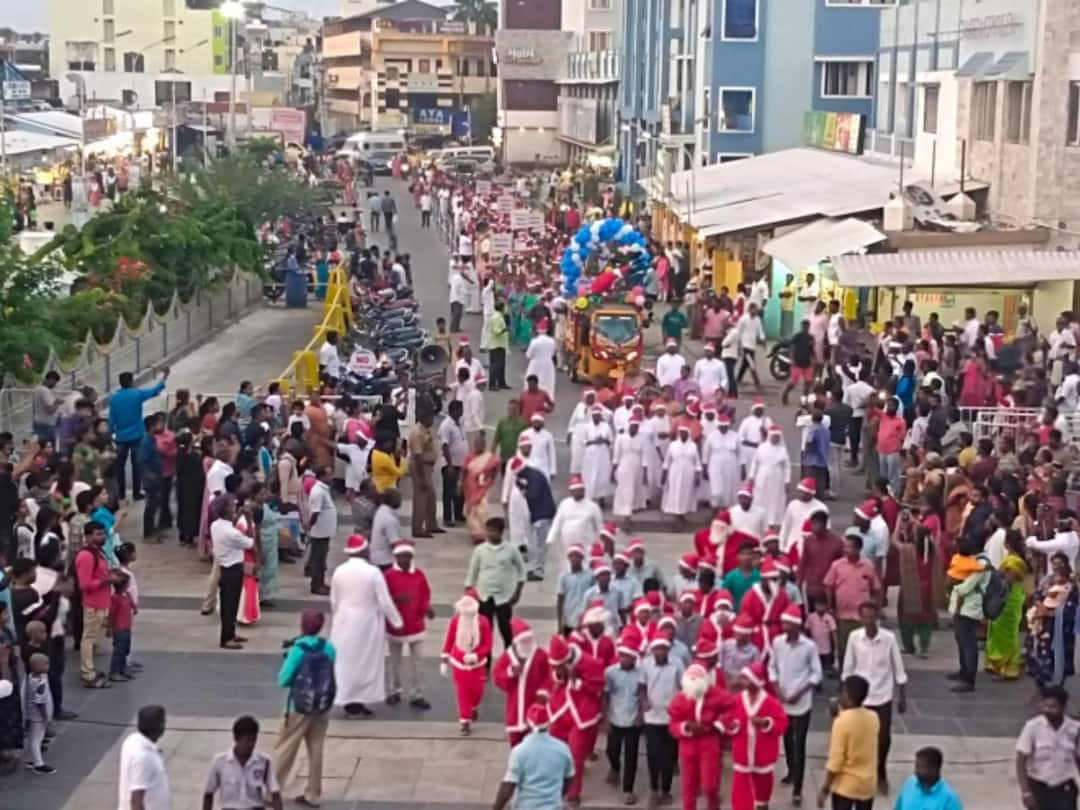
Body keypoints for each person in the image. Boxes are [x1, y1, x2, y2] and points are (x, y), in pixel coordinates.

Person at [330, 533, 404, 719]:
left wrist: (340, 616)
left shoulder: (339, 571)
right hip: (366, 623)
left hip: (343, 620)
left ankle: (349, 701)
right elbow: (385, 601)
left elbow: (334, 601)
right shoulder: (373, 572)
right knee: (364, 663)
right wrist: (397, 621)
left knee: (346, 662)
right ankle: (358, 702)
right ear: (363, 550)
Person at [841, 601, 907, 795]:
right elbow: (848, 668)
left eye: (872, 617)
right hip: (860, 697)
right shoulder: (854, 638)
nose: (869, 621)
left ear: (877, 617)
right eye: (865, 617)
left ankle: (881, 771)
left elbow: (899, 669)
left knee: (884, 737)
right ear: (861, 618)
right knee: (858, 737)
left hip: (882, 695)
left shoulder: (889, 639)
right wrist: (846, 695)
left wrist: (902, 696)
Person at [275, 610, 336, 808]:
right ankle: (314, 793)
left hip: (298, 706)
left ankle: (273, 789)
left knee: (286, 747)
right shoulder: (328, 647)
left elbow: (283, 680)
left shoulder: (298, 650)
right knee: (316, 747)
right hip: (322, 705)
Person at [769, 606, 822, 806]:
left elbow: (816, 674)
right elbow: (772, 667)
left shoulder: (808, 646)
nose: (784, 627)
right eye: (783, 624)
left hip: (802, 702)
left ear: (796, 626)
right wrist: (777, 689)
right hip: (783, 701)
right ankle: (792, 771)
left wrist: (801, 691)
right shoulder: (778, 643)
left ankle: (798, 789)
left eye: (787, 624)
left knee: (799, 742)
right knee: (787, 740)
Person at [546, 634, 606, 808]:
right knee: (555, 751)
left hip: (581, 714)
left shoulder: (588, 662)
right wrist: (558, 675)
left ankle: (573, 793)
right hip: (560, 711)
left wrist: (578, 682)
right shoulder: (556, 661)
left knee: (575, 755)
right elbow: (551, 678)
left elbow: (598, 685)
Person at [722, 661, 788, 810]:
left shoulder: (771, 703)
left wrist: (766, 723)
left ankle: (762, 804)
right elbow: (728, 719)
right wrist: (732, 726)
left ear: (755, 681)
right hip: (742, 753)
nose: (742, 681)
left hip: (763, 754)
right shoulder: (737, 700)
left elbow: (782, 724)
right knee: (740, 791)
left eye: (746, 678)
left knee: (763, 789)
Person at [492, 703, 575, 810]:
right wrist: (557, 795)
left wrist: (496, 807)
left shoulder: (520, 751)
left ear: (528, 724)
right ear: (548, 723)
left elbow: (509, 784)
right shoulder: (563, 748)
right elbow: (569, 777)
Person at [818, 675, 879, 810]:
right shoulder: (874, 718)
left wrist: (825, 788)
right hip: (867, 785)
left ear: (847, 694)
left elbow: (835, 762)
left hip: (846, 787)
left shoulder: (841, 722)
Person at [1015, 684, 1080, 810]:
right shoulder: (1033, 727)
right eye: (1045, 706)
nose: (1047, 710)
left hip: (1064, 786)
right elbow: (1020, 760)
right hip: (1038, 786)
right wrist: (1025, 791)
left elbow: (1078, 758)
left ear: (1063, 707)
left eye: (1053, 707)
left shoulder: (1074, 729)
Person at [465, 517, 525, 651]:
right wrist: (469, 591)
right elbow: (472, 572)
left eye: (494, 531)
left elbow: (522, 572)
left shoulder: (511, 550)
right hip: (484, 595)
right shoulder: (480, 550)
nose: (490, 534)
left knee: (506, 630)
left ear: (501, 532)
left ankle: (509, 659)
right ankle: (485, 662)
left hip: (504, 597)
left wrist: (517, 592)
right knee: (485, 631)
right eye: (488, 531)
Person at [109, 368, 169, 500]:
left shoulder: (114, 398)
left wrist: (110, 433)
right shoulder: (137, 394)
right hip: (136, 435)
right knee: (137, 464)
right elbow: (154, 391)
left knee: (120, 466)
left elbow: (112, 419)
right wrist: (164, 378)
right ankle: (136, 492)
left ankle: (121, 493)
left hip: (121, 436)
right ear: (131, 381)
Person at [74, 519, 120, 688]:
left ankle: (90, 668)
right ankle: (88, 673)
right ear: (87, 536)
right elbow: (84, 584)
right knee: (89, 638)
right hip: (94, 603)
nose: (102, 537)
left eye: (103, 533)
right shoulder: (86, 556)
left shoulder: (97, 552)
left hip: (102, 601)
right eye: (98, 534)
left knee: (94, 640)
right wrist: (107, 580)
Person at [441, 588, 493, 736]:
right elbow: (450, 638)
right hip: (459, 663)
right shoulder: (456, 620)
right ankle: (465, 720)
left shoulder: (483, 622)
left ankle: (474, 707)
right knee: (462, 692)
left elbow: (488, 644)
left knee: (477, 691)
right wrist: (445, 657)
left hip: (477, 665)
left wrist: (477, 655)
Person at [203, 715, 283, 810]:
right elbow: (209, 793)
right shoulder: (220, 762)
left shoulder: (264, 762)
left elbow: (275, 793)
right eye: (247, 741)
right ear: (236, 738)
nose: (251, 744)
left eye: (254, 740)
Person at [493, 619, 552, 746]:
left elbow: (550, 675)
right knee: (515, 742)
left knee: (535, 741)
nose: (527, 643)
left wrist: (544, 691)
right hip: (515, 707)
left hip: (534, 705)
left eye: (528, 640)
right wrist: (510, 673)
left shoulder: (540, 655)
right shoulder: (508, 657)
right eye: (523, 641)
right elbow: (497, 677)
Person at [640, 634, 684, 806]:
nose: (660, 651)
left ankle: (665, 790)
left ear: (667, 649)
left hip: (671, 717)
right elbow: (642, 686)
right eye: (656, 648)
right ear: (652, 650)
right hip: (652, 718)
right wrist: (644, 702)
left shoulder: (677, 663)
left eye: (663, 648)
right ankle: (653, 789)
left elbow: (683, 686)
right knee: (653, 755)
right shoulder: (645, 664)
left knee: (669, 757)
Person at [604, 635, 643, 803]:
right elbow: (605, 696)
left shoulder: (641, 673)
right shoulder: (610, 672)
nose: (625, 659)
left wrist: (641, 716)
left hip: (633, 720)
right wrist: (605, 718)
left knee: (631, 755)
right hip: (615, 717)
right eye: (622, 656)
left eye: (628, 656)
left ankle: (628, 789)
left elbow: (642, 695)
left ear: (634, 658)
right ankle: (614, 767)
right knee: (611, 750)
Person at [985, 539, 1028, 681]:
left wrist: (997, 574)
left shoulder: (1012, 561)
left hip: (1007, 600)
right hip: (1015, 597)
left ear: (1008, 545)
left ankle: (1003, 667)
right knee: (1010, 633)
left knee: (1002, 635)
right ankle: (1008, 667)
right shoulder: (1019, 560)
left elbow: (1007, 580)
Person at [118, 705, 170, 810]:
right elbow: (136, 801)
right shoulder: (143, 758)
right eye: (164, 721)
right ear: (159, 727)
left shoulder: (132, 740)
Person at [546, 474, 604, 560]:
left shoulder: (593, 506)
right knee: (570, 563)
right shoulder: (565, 503)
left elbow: (599, 526)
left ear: (583, 490)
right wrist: (550, 538)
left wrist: (600, 543)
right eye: (574, 491)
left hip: (586, 543)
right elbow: (557, 522)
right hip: (567, 542)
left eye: (579, 490)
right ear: (571, 492)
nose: (577, 493)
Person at [893, 747, 962, 810]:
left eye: (921, 767)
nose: (916, 771)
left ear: (935, 769)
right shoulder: (909, 785)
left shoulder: (949, 800)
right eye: (916, 766)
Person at [305, 465, 337, 596]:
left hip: (325, 531)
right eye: (329, 474)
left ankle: (321, 582)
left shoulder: (324, 490)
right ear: (322, 476)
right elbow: (315, 512)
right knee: (318, 559)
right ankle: (316, 585)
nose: (331, 477)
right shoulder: (318, 491)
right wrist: (310, 527)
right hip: (319, 532)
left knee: (321, 558)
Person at [525, 323, 559, 399]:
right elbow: (554, 352)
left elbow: (528, 355)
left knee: (533, 381)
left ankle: (531, 399)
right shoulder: (552, 341)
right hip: (548, 364)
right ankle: (546, 400)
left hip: (535, 364)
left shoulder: (534, 341)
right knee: (547, 383)